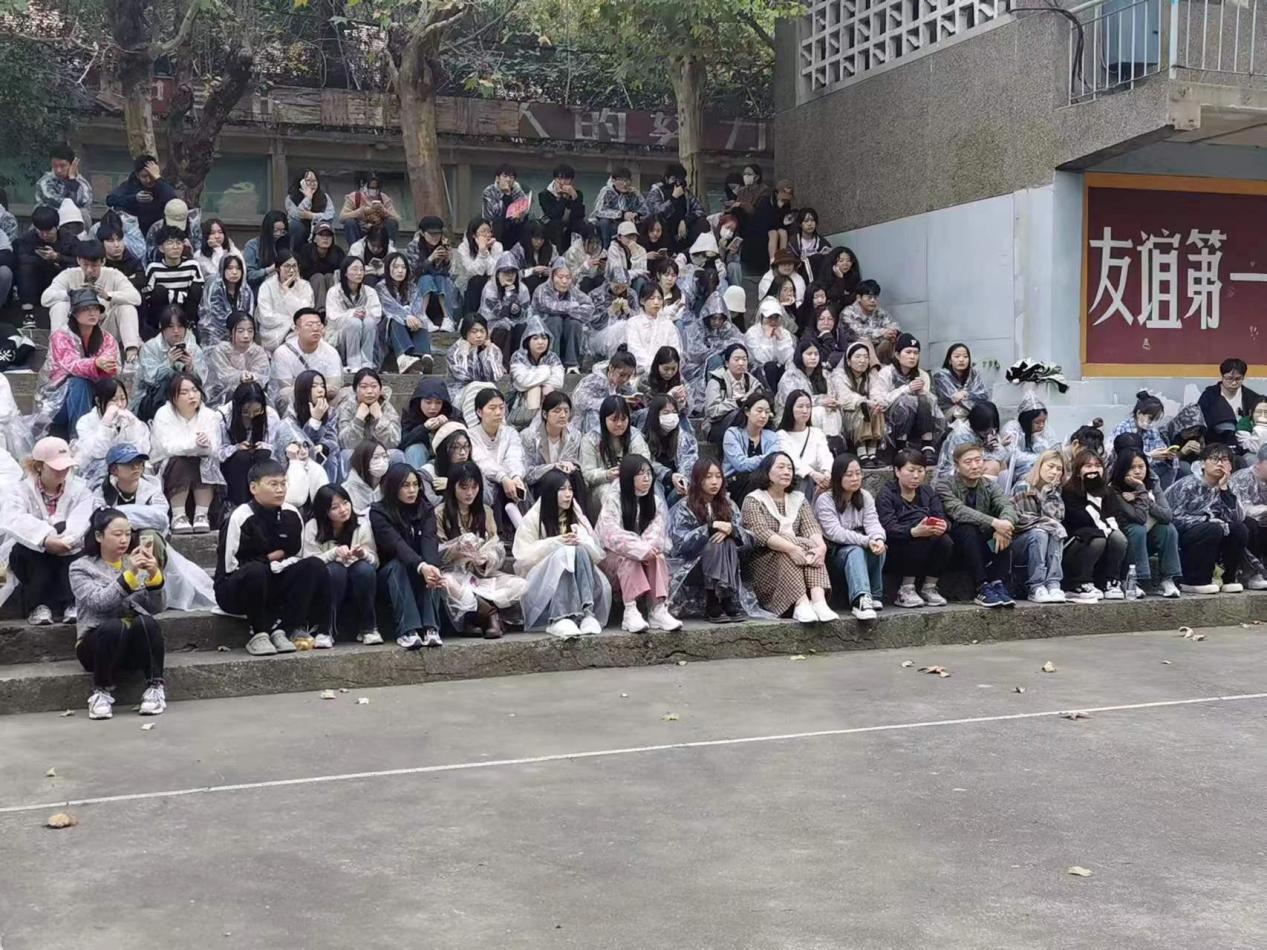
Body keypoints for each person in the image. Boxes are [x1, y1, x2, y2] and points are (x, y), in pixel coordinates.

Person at [215, 458, 332, 654]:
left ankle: (284, 629)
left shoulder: (291, 514)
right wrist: (268, 559)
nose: (280, 490)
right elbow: (230, 567)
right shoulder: (240, 517)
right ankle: (259, 632)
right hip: (237, 588)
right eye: (273, 484)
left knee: (314, 565)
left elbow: (295, 554)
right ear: (254, 488)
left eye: (283, 484)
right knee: (256, 571)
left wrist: (277, 559)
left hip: (275, 579)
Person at [94, 442, 216, 612]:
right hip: (114, 543)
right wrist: (132, 518)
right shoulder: (101, 492)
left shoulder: (152, 488)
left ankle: (149, 588)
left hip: (144, 543)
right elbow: (98, 519)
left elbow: (160, 519)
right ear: (114, 470)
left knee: (149, 535)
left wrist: (118, 514)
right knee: (107, 534)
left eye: (139, 463)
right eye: (129, 464)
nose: (136, 467)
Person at [70, 507, 167, 720]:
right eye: (117, 534)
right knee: (114, 626)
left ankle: (155, 688)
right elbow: (99, 603)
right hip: (95, 646)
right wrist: (129, 576)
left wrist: (154, 576)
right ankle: (101, 692)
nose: (124, 540)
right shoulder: (80, 568)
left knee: (147, 623)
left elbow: (155, 608)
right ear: (99, 536)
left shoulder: (133, 561)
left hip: (131, 645)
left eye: (127, 534)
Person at [1, 437, 94, 625]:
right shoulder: (19, 491)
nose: (62, 472)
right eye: (55, 468)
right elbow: (14, 518)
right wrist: (45, 538)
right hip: (32, 552)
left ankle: (72, 603)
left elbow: (82, 517)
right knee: (29, 551)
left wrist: (66, 539)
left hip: (70, 547)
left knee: (75, 547)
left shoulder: (80, 490)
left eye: (65, 467)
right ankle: (39, 605)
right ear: (38, 466)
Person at [435, 461, 527, 638]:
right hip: (455, 573)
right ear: (453, 487)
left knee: (519, 585)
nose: (469, 493)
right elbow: (436, 553)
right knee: (447, 583)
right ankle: (490, 616)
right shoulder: (440, 513)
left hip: (481, 574)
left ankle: (479, 618)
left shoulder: (486, 512)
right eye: (464, 488)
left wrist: (486, 559)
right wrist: (457, 548)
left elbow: (497, 548)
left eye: (474, 487)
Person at [741, 451, 837, 623]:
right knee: (789, 545)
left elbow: (810, 527)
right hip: (765, 564)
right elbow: (761, 533)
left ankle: (818, 601)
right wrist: (791, 548)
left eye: (790, 468)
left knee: (813, 546)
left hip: (799, 555)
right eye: (781, 467)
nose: (786, 471)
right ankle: (801, 603)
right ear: (767, 471)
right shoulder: (753, 500)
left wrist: (821, 548)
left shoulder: (798, 498)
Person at [665, 457, 763, 623]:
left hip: (727, 561)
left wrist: (732, 530)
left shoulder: (729, 504)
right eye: (708, 476)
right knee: (714, 541)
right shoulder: (684, 507)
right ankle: (713, 597)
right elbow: (680, 545)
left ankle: (725, 596)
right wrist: (710, 528)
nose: (714, 481)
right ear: (698, 479)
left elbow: (749, 540)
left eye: (718, 476)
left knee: (728, 541)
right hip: (693, 567)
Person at [594, 454, 682, 632]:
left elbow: (657, 532)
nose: (646, 478)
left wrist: (646, 549)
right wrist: (639, 549)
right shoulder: (613, 499)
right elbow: (610, 534)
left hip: (643, 555)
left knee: (657, 556)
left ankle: (658, 609)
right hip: (611, 561)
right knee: (629, 558)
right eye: (641, 474)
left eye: (649, 473)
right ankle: (630, 610)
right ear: (628, 476)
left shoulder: (654, 501)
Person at [369, 463, 445, 648]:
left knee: (432, 567)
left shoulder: (426, 509)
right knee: (398, 566)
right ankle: (407, 630)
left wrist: (430, 566)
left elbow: (429, 539)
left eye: (415, 484)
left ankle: (431, 628)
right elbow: (396, 545)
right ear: (393, 487)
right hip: (389, 575)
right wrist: (421, 566)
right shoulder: (379, 511)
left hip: (418, 568)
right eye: (405, 485)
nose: (412, 490)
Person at [936, 443, 1017, 608]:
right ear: (957, 465)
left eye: (978, 460)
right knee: (968, 528)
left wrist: (1004, 525)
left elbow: (1006, 506)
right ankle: (982, 585)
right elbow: (958, 511)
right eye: (968, 462)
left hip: (981, 544)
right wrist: (995, 522)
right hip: (955, 545)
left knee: (1004, 530)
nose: (974, 466)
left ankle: (997, 582)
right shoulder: (944, 485)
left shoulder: (989, 485)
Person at [42, 238, 142, 366]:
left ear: (103, 262)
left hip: (104, 329)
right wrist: (71, 294)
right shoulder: (68, 275)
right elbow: (45, 298)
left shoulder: (114, 275)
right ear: (78, 261)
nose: (89, 270)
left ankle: (132, 356)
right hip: (76, 331)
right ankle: (57, 354)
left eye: (94, 265)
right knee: (59, 305)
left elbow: (136, 298)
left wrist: (108, 295)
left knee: (127, 307)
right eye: (85, 265)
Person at [37, 288, 121, 441]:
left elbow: (113, 367)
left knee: (111, 384)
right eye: (86, 309)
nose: (92, 313)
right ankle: (80, 438)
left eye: (95, 309)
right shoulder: (61, 336)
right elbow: (70, 365)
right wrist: (96, 364)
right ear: (74, 313)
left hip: (95, 394)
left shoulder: (107, 339)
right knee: (79, 382)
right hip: (59, 399)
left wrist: (105, 367)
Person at [303, 484, 380, 647]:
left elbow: (375, 562)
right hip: (328, 584)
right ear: (324, 511)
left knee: (364, 569)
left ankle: (369, 628)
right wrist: (334, 553)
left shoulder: (361, 523)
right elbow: (309, 564)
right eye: (335, 507)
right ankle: (325, 630)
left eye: (345, 503)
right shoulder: (313, 527)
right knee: (335, 570)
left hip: (357, 582)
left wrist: (363, 554)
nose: (343, 510)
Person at [1165, 443, 1249, 594]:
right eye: (1214, 459)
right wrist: (1207, 520)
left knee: (1239, 529)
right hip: (1185, 535)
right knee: (1212, 528)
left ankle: (1228, 579)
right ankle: (1195, 580)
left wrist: (1224, 490)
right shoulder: (1188, 484)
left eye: (1224, 460)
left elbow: (1238, 517)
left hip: (1215, 530)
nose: (1219, 464)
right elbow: (1173, 517)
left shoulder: (1228, 485)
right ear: (1203, 463)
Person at [875, 448, 951, 608]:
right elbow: (888, 527)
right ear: (897, 471)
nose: (916, 476)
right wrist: (912, 531)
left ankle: (929, 587)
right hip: (896, 547)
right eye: (911, 471)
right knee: (916, 537)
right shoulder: (887, 494)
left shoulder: (927, 492)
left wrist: (943, 525)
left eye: (920, 471)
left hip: (927, 545)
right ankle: (905, 589)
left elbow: (941, 516)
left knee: (945, 541)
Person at [150, 372, 224, 533]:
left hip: (201, 461)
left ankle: (201, 514)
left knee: (206, 461)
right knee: (181, 461)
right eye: (184, 392)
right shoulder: (163, 414)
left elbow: (215, 448)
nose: (192, 396)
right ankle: (178, 515)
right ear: (173, 397)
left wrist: (205, 445)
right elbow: (168, 447)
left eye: (195, 390)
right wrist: (194, 444)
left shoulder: (210, 416)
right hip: (168, 465)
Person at [815, 454, 886, 620]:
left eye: (858, 473)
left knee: (879, 547)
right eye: (849, 474)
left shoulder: (865, 496)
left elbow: (873, 523)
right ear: (838, 477)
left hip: (859, 548)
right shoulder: (825, 500)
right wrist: (866, 541)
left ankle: (875, 595)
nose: (855, 478)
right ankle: (861, 600)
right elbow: (835, 532)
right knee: (856, 550)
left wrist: (878, 539)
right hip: (834, 555)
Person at [1105, 448, 1182, 599]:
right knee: (1137, 529)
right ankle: (1133, 580)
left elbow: (1167, 515)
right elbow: (1138, 518)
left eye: (1141, 466)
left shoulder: (1152, 483)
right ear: (1123, 469)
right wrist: (1142, 491)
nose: (1138, 471)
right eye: (1132, 467)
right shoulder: (1113, 489)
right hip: (1125, 540)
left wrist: (1142, 494)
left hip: (1147, 538)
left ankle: (1168, 579)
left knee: (1168, 529)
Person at [1061, 449, 1129, 603]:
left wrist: (1108, 529)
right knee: (1097, 538)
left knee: (1118, 537)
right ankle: (1079, 584)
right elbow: (1080, 521)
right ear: (1078, 471)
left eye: (1097, 465)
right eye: (1088, 466)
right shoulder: (1069, 492)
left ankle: (1110, 581)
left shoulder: (1108, 492)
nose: (1093, 470)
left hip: (1102, 536)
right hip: (1076, 543)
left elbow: (1117, 518)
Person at [873, 332, 944, 464]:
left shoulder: (922, 375)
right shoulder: (886, 373)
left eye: (916, 353)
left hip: (919, 421)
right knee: (906, 400)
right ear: (897, 355)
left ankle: (927, 445)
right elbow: (880, 401)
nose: (912, 356)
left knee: (924, 398)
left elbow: (932, 404)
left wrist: (923, 393)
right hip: (892, 421)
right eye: (908, 352)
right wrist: (906, 389)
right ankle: (900, 445)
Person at [1009, 449, 1069, 603]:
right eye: (1050, 466)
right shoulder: (1023, 486)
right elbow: (1021, 519)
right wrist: (1047, 523)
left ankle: (1053, 584)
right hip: (1019, 540)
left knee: (1055, 532)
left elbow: (1058, 518)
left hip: (1044, 538)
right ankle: (1036, 586)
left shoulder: (1054, 492)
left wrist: (1048, 494)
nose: (1054, 472)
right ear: (1040, 466)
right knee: (1041, 532)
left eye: (1059, 469)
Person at [467, 387, 528, 537]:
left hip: (508, 479)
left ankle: (527, 533)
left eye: (501, 407)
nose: (498, 412)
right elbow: (481, 461)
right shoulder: (470, 435)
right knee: (493, 486)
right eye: (492, 408)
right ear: (479, 412)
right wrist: (503, 477)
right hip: (486, 482)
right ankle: (498, 535)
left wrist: (515, 476)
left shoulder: (510, 433)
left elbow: (514, 457)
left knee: (520, 486)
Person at [131, 305, 206, 423]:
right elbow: (150, 379)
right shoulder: (150, 347)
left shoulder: (194, 349)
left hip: (185, 395)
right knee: (167, 384)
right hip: (152, 399)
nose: (176, 331)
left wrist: (190, 369)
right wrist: (168, 365)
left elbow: (203, 381)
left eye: (180, 326)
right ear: (163, 329)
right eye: (171, 327)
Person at [581, 394, 652, 519]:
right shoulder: (591, 439)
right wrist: (607, 475)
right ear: (604, 419)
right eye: (614, 419)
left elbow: (644, 462)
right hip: (601, 488)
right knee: (609, 493)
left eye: (623, 419)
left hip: (632, 484)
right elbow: (586, 473)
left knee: (653, 489)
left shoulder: (634, 435)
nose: (619, 424)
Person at [72, 378, 149, 488]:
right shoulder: (85, 422)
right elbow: (97, 453)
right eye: (113, 400)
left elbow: (141, 449)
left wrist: (131, 428)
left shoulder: (130, 418)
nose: (120, 404)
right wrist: (105, 425)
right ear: (98, 401)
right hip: (96, 469)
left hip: (125, 468)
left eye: (123, 399)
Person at [271, 307, 344, 414]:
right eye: (309, 325)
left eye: (319, 325)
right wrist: (314, 391)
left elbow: (333, 388)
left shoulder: (330, 352)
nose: (315, 328)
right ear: (297, 329)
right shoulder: (283, 352)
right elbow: (285, 387)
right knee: (284, 394)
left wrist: (313, 392)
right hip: (296, 401)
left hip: (323, 399)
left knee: (343, 395)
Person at [218, 381, 279, 508]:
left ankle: (264, 500)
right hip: (233, 466)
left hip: (259, 460)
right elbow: (218, 452)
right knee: (242, 457)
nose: (251, 416)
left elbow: (277, 448)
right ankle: (239, 504)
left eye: (256, 411)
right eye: (245, 412)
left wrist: (264, 446)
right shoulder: (222, 416)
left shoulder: (270, 415)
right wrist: (235, 448)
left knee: (263, 454)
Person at [277, 369, 341, 483]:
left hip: (320, 458)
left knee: (331, 459)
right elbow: (300, 445)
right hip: (296, 463)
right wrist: (315, 421)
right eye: (314, 386)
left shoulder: (330, 412)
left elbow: (333, 440)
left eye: (322, 385)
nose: (320, 390)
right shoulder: (290, 416)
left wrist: (323, 446)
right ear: (303, 390)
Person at [682, 292, 744, 407]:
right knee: (715, 360)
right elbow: (695, 352)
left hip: (723, 363)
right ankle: (715, 398)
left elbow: (739, 341)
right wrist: (718, 349)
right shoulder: (697, 328)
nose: (717, 322)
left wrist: (719, 348)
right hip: (698, 367)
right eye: (714, 318)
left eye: (720, 319)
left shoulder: (727, 327)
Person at [532, 257, 593, 374]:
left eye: (568, 277)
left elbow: (589, 307)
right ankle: (552, 361)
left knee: (574, 323)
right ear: (552, 276)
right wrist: (573, 306)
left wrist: (570, 310)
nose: (564, 281)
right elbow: (550, 306)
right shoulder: (542, 290)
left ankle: (572, 363)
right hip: (543, 332)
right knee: (555, 320)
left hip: (565, 333)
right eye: (560, 277)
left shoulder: (573, 290)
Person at [776, 337, 844, 442]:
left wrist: (833, 402)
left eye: (816, 354)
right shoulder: (790, 375)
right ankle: (828, 442)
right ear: (800, 355)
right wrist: (822, 401)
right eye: (809, 354)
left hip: (821, 413)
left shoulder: (824, 374)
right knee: (821, 411)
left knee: (833, 411)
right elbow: (793, 401)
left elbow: (832, 394)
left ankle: (834, 442)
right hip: (792, 415)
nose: (813, 357)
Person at [521, 390, 585, 498]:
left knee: (576, 475)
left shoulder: (574, 436)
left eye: (566, 411)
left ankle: (580, 509)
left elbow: (575, 464)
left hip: (566, 483)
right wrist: (553, 467)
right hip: (540, 485)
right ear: (545, 414)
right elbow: (528, 475)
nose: (563, 415)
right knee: (553, 478)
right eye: (557, 411)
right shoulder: (529, 436)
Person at [141, 227, 203, 336]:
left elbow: (197, 292)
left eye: (178, 243)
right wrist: (178, 296)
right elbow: (148, 294)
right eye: (170, 243)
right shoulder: (154, 268)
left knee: (196, 289)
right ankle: (161, 329)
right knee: (159, 291)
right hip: (162, 311)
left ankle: (189, 326)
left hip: (186, 311)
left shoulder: (192, 265)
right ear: (161, 248)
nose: (175, 247)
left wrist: (170, 295)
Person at [323, 256, 381, 372]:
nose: (359, 273)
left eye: (361, 269)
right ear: (345, 272)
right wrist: (352, 314)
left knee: (370, 321)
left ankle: (367, 363)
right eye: (354, 269)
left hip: (365, 331)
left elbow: (377, 314)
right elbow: (333, 318)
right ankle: (354, 363)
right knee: (354, 322)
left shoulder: (370, 291)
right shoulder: (334, 292)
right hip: (338, 334)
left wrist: (365, 313)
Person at [378, 251, 433, 374]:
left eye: (403, 267)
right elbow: (389, 308)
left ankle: (424, 356)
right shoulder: (381, 287)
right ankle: (403, 357)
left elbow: (418, 307)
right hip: (389, 330)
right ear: (388, 269)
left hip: (411, 326)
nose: (400, 271)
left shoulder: (412, 287)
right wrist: (406, 316)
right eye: (396, 267)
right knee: (394, 319)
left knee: (420, 319)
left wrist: (414, 317)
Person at [722, 390, 780, 503]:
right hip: (734, 483)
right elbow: (741, 465)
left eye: (767, 412)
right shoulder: (732, 433)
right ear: (747, 412)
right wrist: (766, 459)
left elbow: (774, 462)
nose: (763, 415)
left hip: (762, 482)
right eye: (759, 410)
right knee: (750, 477)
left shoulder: (772, 436)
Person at [204, 311, 271, 408]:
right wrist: (240, 376)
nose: (246, 335)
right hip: (224, 399)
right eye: (240, 331)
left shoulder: (258, 351)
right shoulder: (221, 350)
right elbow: (222, 376)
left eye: (250, 331)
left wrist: (253, 377)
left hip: (253, 396)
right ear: (230, 332)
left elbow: (262, 375)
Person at [834, 341, 886, 465]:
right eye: (857, 357)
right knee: (863, 406)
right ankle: (861, 452)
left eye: (866, 357)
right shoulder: (839, 376)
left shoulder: (870, 376)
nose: (862, 361)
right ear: (848, 361)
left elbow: (877, 392)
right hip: (846, 416)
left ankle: (872, 453)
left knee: (877, 409)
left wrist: (877, 402)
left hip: (867, 412)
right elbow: (845, 399)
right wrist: (865, 402)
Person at [1199, 357, 1264, 454]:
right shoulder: (1209, 395)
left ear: (1243, 377)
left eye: (1238, 379)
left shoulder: (1251, 397)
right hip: (1214, 442)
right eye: (1229, 378)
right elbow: (1199, 419)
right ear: (1222, 376)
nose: (1234, 382)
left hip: (1243, 444)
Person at [508, 316, 564, 428]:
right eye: (535, 338)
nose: (540, 342)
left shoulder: (552, 357)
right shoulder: (518, 356)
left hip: (545, 396)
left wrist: (534, 377)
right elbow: (523, 381)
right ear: (527, 341)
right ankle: (530, 425)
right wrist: (546, 370)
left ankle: (544, 423)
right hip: (517, 402)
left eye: (544, 338)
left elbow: (558, 382)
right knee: (534, 389)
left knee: (548, 389)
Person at [641, 394, 698, 504]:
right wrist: (669, 476)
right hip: (654, 484)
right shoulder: (643, 438)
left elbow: (689, 462)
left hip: (677, 487)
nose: (671, 416)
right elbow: (646, 463)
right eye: (666, 413)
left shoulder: (684, 438)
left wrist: (682, 480)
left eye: (674, 412)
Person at [777, 389, 834, 496]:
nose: (805, 410)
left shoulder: (817, 433)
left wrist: (826, 474)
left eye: (808, 407)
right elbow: (792, 461)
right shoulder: (781, 435)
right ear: (790, 409)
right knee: (805, 481)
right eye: (800, 406)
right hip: (795, 481)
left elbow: (825, 456)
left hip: (818, 481)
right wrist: (812, 474)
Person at [1111, 391, 1175, 487]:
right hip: (1128, 471)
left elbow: (1160, 446)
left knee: (1171, 468)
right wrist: (1150, 456)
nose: (1152, 423)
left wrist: (1166, 454)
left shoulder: (1152, 430)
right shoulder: (1123, 430)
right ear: (1139, 413)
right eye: (1150, 419)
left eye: (1156, 420)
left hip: (1147, 468)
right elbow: (1123, 460)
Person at [255, 250, 312, 353]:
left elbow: (305, 313)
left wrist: (287, 291)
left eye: (294, 266)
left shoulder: (305, 286)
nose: (291, 270)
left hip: (299, 330)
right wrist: (290, 323)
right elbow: (265, 316)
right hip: (274, 332)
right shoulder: (267, 286)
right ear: (278, 268)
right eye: (287, 266)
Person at [936, 401, 1009, 482]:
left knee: (1001, 463)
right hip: (953, 473)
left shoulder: (985, 432)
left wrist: (997, 445)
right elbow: (970, 458)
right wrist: (994, 449)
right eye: (986, 432)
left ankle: (1000, 490)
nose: (989, 433)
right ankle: (983, 490)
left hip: (970, 464)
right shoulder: (962, 435)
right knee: (993, 465)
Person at [406, 216, 458, 330]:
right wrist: (430, 259)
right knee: (426, 278)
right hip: (418, 285)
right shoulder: (413, 246)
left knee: (441, 278)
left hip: (439, 287)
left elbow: (447, 273)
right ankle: (422, 315)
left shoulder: (443, 245)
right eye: (431, 234)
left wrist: (446, 260)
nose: (435, 237)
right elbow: (414, 272)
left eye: (438, 234)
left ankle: (447, 318)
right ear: (422, 233)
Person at [703, 342, 760, 445]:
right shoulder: (716, 381)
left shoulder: (753, 382)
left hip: (747, 423)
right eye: (736, 359)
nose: (741, 363)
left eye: (744, 359)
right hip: (717, 425)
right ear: (727, 363)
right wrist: (737, 403)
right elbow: (712, 411)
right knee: (738, 414)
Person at [105, 154, 177, 235]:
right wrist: (135, 198)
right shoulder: (131, 184)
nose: (148, 180)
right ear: (137, 175)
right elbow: (110, 199)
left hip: (158, 228)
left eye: (151, 176)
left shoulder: (162, 185)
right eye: (144, 176)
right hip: (135, 230)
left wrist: (158, 178)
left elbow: (172, 200)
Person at [478, 251, 529, 364]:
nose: (510, 275)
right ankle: (501, 364)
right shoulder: (490, 289)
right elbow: (497, 313)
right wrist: (509, 296)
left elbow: (525, 314)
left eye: (513, 272)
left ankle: (519, 363)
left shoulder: (523, 289)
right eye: (506, 272)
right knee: (503, 328)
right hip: (491, 326)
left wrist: (517, 310)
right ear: (498, 274)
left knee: (521, 327)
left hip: (514, 324)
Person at [446, 314, 505, 411]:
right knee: (477, 391)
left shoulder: (492, 349)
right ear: (465, 332)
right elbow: (463, 375)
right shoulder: (455, 351)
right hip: (461, 393)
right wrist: (465, 353)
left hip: (486, 391)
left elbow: (496, 376)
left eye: (482, 331)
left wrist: (489, 352)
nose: (479, 335)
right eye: (474, 331)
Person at [573, 350, 641, 434]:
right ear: (611, 368)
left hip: (616, 420)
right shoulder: (594, 380)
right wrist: (612, 402)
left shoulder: (624, 385)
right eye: (622, 375)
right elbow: (580, 402)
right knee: (593, 414)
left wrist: (633, 402)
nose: (625, 379)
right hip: (590, 422)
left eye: (628, 376)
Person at [1001, 392, 1060, 488]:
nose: (1041, 425)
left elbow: (1053, 452)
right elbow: (1015, 457)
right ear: (1027, 420)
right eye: (1037, 422)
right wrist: (1040, 458)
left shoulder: (1045, 429)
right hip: (1017, 472)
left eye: (1043, 421)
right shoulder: (1012, 428)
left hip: (1041, 468)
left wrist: (1037, 439)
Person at [336, 368, 400, 456]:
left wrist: (379, 418)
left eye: (374, 386)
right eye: (364, 387)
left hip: (380, 454)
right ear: (355, 390)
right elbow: (346, 445)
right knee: (346, 454)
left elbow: (393, 443)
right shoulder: (346, 408)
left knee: (397, 455)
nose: (369, 391)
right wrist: (358, 419)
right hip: (357, 454)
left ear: (380, 389)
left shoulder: (386, 407)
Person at [16, 206, 65, 319]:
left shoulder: (68, 239)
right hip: (36, 279)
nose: (44, 235)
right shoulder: (28, 239)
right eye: (41, 231)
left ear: (56, 227)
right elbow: (21, 257)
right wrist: (42, 258)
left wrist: (57, 257)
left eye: (48, 231)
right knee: (25, 268)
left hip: (58, 278)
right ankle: (27, 309)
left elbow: (77, 260)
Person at [624, 284, 683, 378]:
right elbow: (635, 350)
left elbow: (676, 351)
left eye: (659, 299)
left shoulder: (668, 324)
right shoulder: (633, 323)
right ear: (642, 301)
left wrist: (665, 367)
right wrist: (654, 367)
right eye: (652, 298)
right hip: (641, 372)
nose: (656, 302)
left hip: (666, 372)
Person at [644, 163, 706, 253]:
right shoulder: (657, 191)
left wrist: (685, 221)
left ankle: (699, 252)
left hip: (683, 229)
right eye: (673, 179)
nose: (677, 183)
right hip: (663, 229)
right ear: (666, 179)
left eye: (679, 179)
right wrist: (673, 198)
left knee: (702, 223)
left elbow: (700, 210)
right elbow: (657, 214)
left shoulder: (686, 192)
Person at [1229, 445, 1267, 588]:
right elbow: (1240, 510)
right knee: (1249, 524)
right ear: (1259, 463)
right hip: (1240, 522)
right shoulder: (1243, 478)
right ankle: (1250, 574)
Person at [198, 253, 254, 347]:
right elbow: (215, 319)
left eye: (238, 268)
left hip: (241, 334)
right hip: (215, 335)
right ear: (222, 270)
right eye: (230, 268)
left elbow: (249, 314)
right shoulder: (214, 287)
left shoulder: (246, 290)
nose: (234, 272)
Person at [839, 280, 898, 364]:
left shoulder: (879, 312)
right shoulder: (848, 313)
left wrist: (892, 332)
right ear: (859, 298)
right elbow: (858, 334)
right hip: (854, 353)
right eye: (869, 297)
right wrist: (882, 333)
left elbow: (892, 325)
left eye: (876, 297)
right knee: (865, 341)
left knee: (894, 339)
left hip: (876, 350)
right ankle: (875, 370)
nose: (873, 300)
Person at [399, 377, 453, 469]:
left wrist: (448, 426)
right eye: (428, 402)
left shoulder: (450, 412)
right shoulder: (410, 413)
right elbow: (403, 442)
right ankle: (415, 477)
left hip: (442, 458)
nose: (433, 407)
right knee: (415, 449)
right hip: (419, 455)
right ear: (419, 400)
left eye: (438, 403)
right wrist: (424, 428)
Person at [453, 217, 503, 316]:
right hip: (468, 284)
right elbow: (473, 272)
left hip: (492, 281)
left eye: (489, 231)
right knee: (477, 281)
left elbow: (494, 270)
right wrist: (481, 252)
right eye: (483, 232)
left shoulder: (497, 246)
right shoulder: (463, 248)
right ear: (473, 235)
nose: (487, 235)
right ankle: (470, 317)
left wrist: (485, 252)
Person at [419, 421, 475, 509]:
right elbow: (431, 503)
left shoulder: (473, 468)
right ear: (443, 450)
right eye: (456, 447)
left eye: (466, 446)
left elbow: (487, 499)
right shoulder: (426, 472)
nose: (463, 452)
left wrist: (453, 485)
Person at [745, 298, 796, 392]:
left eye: (776, 317)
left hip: (779, 370)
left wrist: (781, 340)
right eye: (769, 317)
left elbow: (788, 358)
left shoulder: (784, 333)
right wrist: (767, 339)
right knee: (771, 366)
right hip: (758, 372)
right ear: (762, 317)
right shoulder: (752, 333)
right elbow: (762, 359)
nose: (773, 321)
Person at [932, 343, 990, 423]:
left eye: (965, 357)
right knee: (962, 411)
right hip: (947, 413)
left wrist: (965, 393)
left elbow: (984, 395)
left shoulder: (974, 374)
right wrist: (969, 396)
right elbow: (954, 398)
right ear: (949, 360)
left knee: (989, 408)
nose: (961, 359)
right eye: (957, 356)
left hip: (972, 408)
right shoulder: (940, 376)